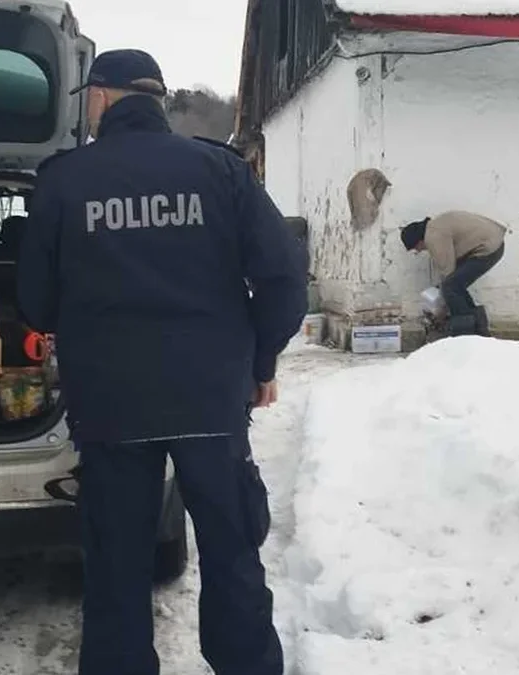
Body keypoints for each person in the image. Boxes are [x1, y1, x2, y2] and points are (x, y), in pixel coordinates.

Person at [17, 49, 307, 675]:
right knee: (232, 551)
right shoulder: (220, 170)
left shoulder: (64, 181)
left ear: (100, 97)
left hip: (112, 406)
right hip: (210, 398)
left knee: (117, 562)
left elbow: (35, 304)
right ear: (156, 99)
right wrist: (261, 364)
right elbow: (284, 279)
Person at [400, 210, 506, 336]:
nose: (418, 251)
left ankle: (466, 334)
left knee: (451, 287)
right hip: (493, 241)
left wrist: (441, 309)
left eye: (415, 248)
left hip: (488, 248)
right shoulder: (435, 226)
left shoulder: (433, 236)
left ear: (418, 241)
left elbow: (448, 272)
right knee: (455, 286)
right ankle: (480, 332)